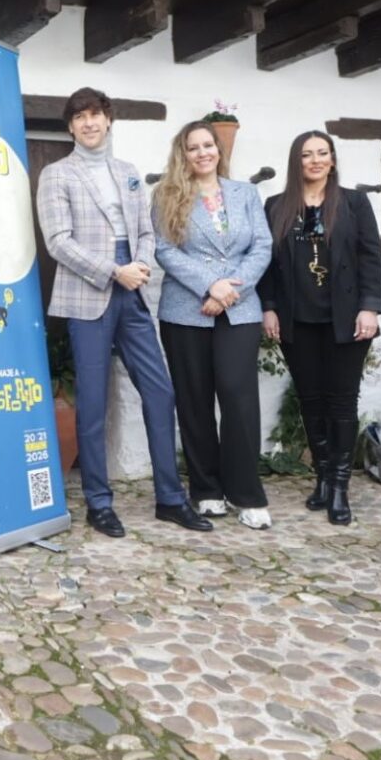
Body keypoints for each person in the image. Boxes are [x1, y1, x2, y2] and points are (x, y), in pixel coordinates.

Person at [36, 87, 211, 538]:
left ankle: (170, 498)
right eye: (79, 117)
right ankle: (99, 503)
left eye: (95, 114)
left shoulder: (128, 172)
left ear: (108, 119)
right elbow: (58, 242)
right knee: (93, 404)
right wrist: (115, 270)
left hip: (131, 293)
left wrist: (140, 267)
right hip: (89, 293)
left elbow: (146, 232)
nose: (89, 123)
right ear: (70, 126)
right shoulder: (57, 174)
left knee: (160, 392)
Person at [258, 131, 381, 525]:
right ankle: (324, 478)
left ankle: (340, 486)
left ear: (332, 159)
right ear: (296, 162)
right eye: (307, 154)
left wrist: (369, 307)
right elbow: (267, 264)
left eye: (322, 153)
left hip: (346, 319)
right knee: (310, 401)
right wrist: (269, 308)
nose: (315, 160)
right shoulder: (277, 206)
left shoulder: (354, 202)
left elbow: (370, 257)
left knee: (342, 402)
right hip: (298, 320)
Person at [152, 121, 273, 529]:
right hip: (185, 311)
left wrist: (228, 291)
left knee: (239, 399)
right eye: (193, 147)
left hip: (239, 308)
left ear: (219, 151)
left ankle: (246, 494)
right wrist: (209, 285)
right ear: (182, 154)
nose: (202, 153)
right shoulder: (166, 194)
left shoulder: (245, 194)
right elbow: (165, 250)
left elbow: (262, 246)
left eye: (208, 145)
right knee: (195, 400)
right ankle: (206, 490)